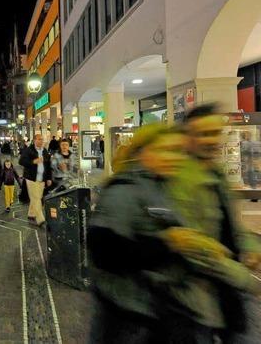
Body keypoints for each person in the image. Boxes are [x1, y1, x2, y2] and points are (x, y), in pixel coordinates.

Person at [89, 123, 261, 343]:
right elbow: (104, 251)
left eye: (179, 151)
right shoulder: (124, 190)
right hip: (130, 314)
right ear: (144, 152)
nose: (176, 158)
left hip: (158, 308)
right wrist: (168, 243)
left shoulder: (161, 186)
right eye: (166, 150)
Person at [19, 134, 52, 226]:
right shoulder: (28, 150)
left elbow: (48, 166)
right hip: (31, 178)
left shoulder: (45, 151)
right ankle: (40, 219)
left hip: (42, 178)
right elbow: (21, 161)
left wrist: (49, 178)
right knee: (36, 198)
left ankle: (31, 214)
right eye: (38, 139)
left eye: (42, 139)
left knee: (36, 197)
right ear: (34, 140)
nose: (40, 141)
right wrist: (33, 162)